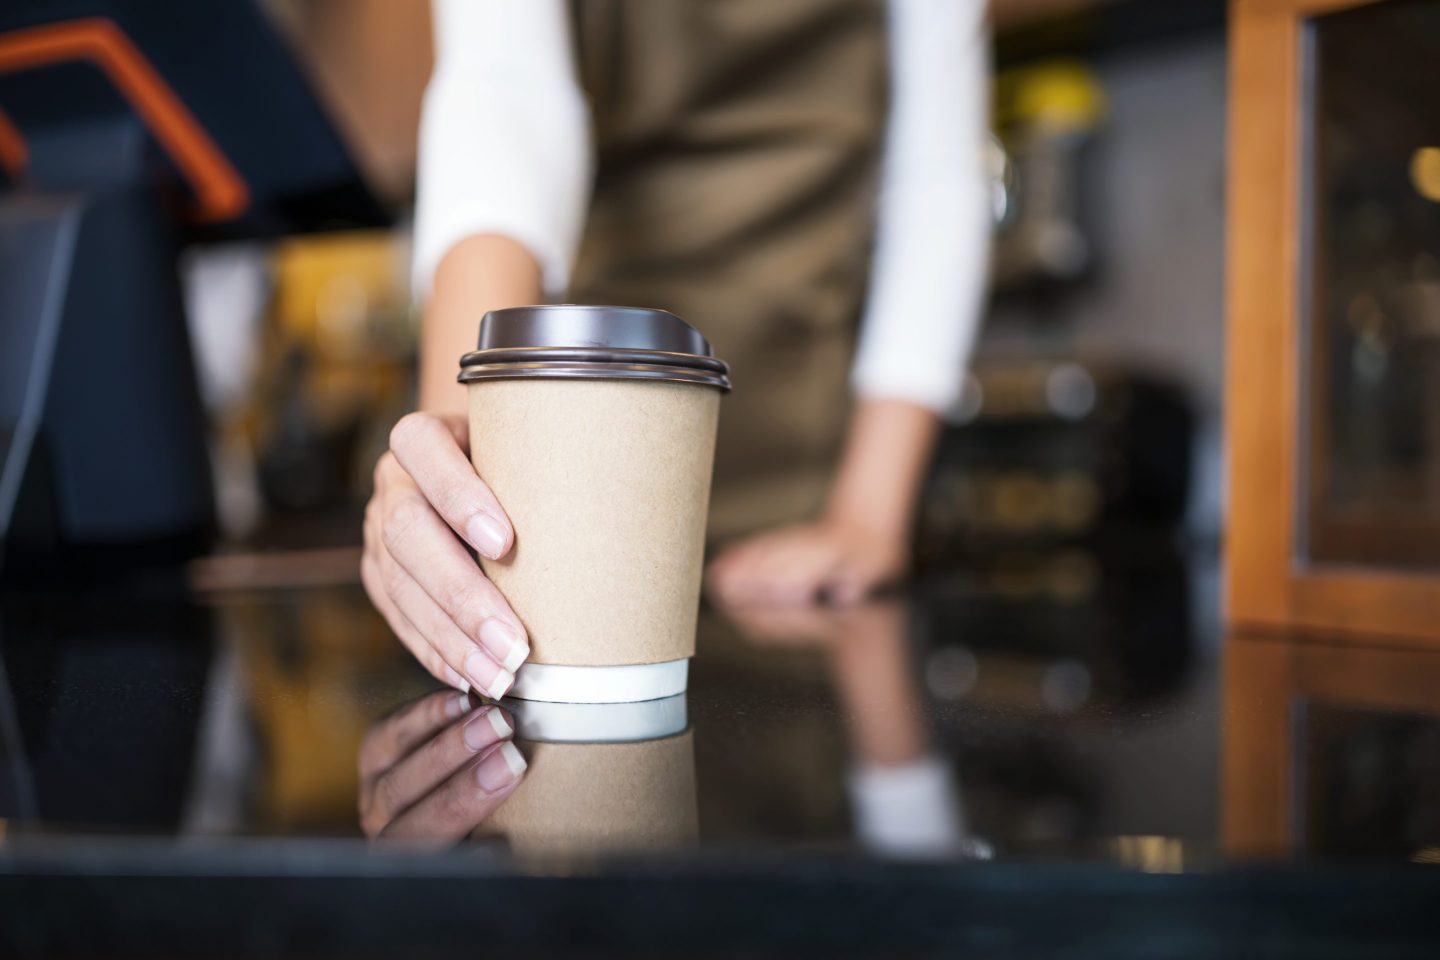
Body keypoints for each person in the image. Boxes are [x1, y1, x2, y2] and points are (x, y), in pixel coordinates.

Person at [362, 0, 990, 698]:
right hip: (566, 481)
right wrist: (458, 461)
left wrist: (867, 517)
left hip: (800, 490)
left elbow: (934, 178)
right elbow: (505, 94)